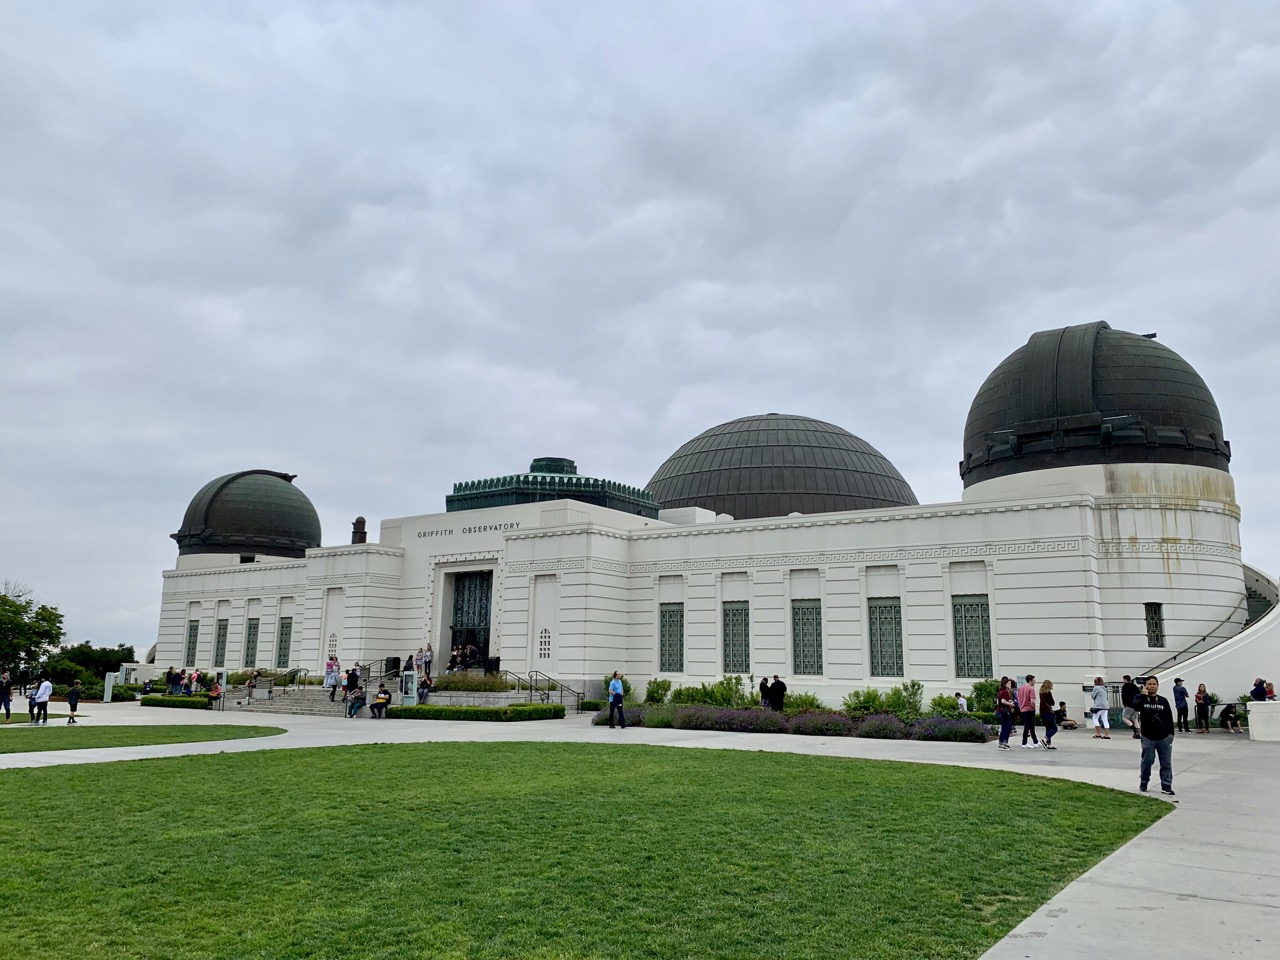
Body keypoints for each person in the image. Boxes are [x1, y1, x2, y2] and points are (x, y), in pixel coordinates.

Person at [1135, 676, 1176, 796]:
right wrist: (1143, 695)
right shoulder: (1141, 699)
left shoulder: (1163, 700)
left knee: (1166, 762)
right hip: (1148, 736)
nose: (1152, 686)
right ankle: (1144, 781)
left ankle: (1166, 785)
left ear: (1158, 686)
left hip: (1164, 736)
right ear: (1145, 685)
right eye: (1150, 684)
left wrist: (1171, 734)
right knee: (1148, 760)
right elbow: (1136, 707)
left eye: (1154, 684)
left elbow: (1169, 717)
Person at [1017, 674, 1040, 748]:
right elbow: (1032, 701)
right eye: (1033, 680)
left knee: (1030, 725)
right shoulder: (1031, 689)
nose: (1034, 682)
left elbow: (1019, 699)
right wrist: (1033, 708)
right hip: (1029, 709)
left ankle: (1035, 741)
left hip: (1023, 709)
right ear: (1030, 680)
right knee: (1028, 726)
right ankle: (1024, 742)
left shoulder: (1021, 688)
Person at [995, 677, 1015, 750]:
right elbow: (1003, 701)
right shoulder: (1005, 692)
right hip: (1004, 711)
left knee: (1007, 726)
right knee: (1006, 727)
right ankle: (1001, 743)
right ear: (1005, 684)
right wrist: (1010, 704)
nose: (1010, 685)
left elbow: (999, 701)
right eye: (1009, 683)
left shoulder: (1001, 691)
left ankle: (1004, 742)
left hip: (1002, 710)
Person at [1038, 679, 1057, 750]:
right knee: (1054, 728)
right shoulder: (1048, 693)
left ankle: (1049, 744)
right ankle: (1045, 739)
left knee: (1048, 728)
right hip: (1048, 712)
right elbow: (1052, 702)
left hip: (1042, 712)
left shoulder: (1041, 693)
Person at [1121, 675, 1141, 739]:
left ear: (1125, 679)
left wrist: (1125, 704)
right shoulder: (1134, 686)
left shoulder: (1125, 687)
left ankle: (1134, 729)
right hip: (1136, 705)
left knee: (1124, 718)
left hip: (1129, 705)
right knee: (1134, 718)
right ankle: (1138, 733)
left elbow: (1124, 696)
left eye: (1123, 679)